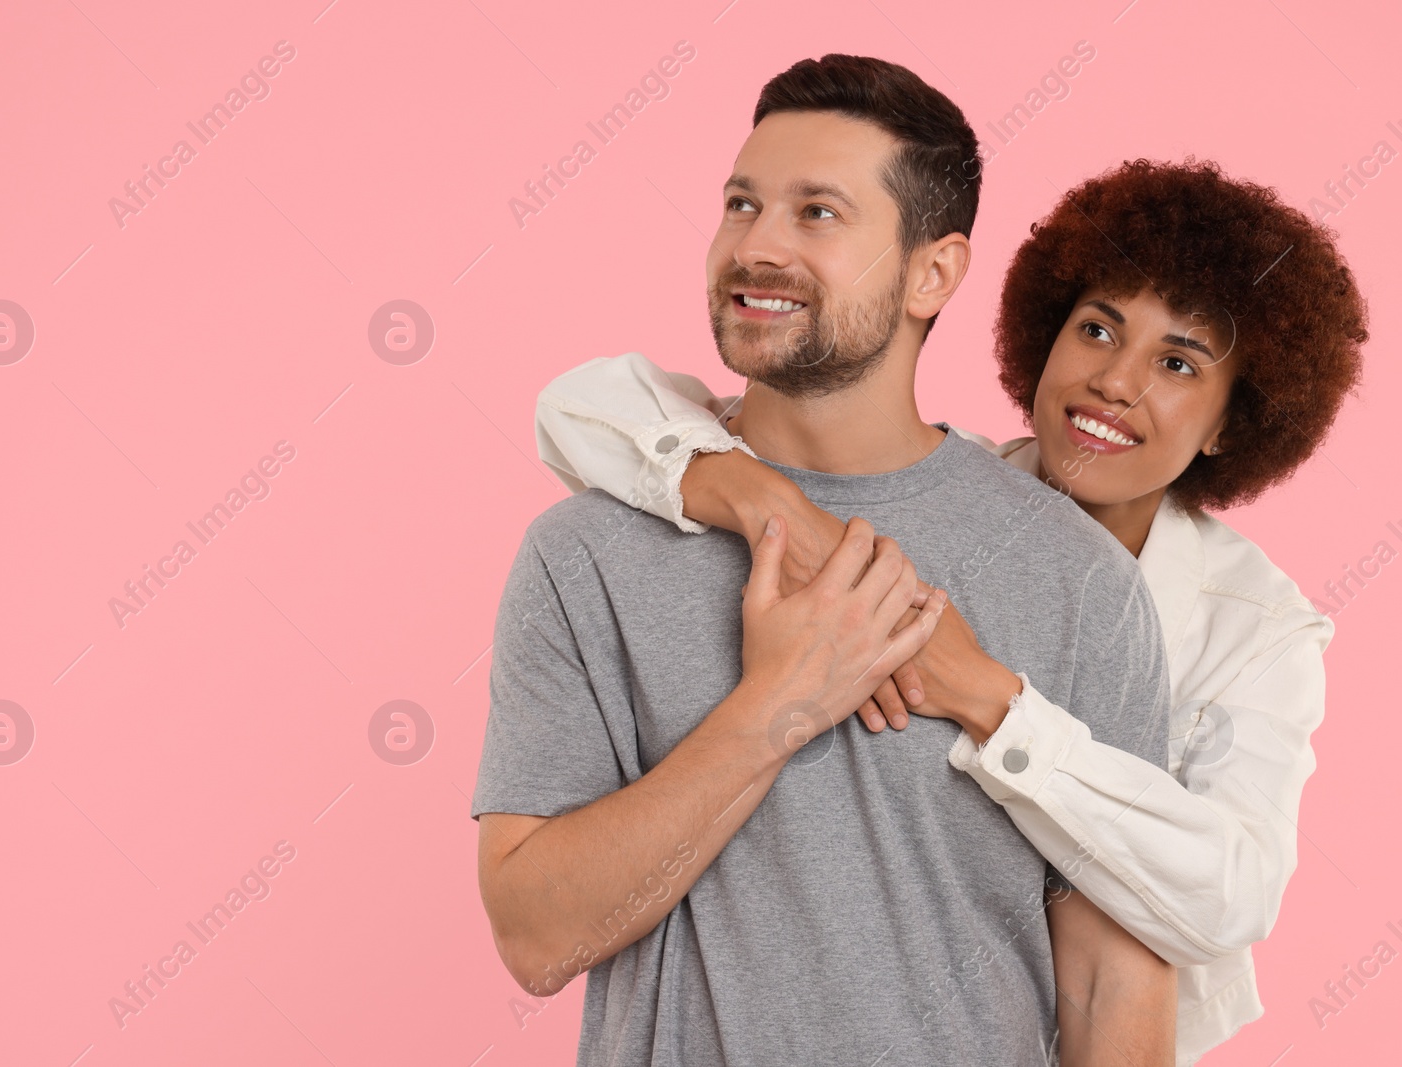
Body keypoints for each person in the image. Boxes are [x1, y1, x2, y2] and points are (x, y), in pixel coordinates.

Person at [532, 157, 1368, 1064]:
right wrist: (755, 497)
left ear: (1228, 425)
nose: (1116, 382)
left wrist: (993, 703)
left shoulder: (1255, 625)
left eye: (1176, 362)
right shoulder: (916, 487)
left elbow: (1227, 894)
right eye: (1096, 329)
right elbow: (580, 405)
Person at [473, 54, 1178, 1066]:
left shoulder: (1075, 579)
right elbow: (538, 938)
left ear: (932, 273)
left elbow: (1111, 979)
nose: (756, 246)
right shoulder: (587, 554)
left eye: (816, 214)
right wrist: (780, 706)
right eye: (740, 204)